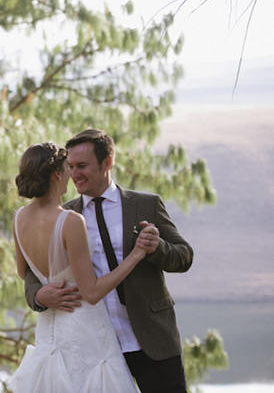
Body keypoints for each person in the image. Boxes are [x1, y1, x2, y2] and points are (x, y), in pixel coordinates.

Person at [24, 129, 193, 393]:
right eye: (70, 166)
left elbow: (184, 256)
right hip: (95, 345)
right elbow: (34, 273)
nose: (74, 173)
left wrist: (156, 247)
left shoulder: (147, 205)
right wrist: (38, 297)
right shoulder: (63, 215)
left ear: (108, 162)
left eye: (82, 165)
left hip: (153, 339)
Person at [8, 142, 155, 392]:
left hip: (49, 330)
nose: (71, 175)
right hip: (85, 328)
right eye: (68, 168)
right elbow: (92, 292)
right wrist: (136, 254)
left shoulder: (19, 217)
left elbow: (25, 273)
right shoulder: (70, 220)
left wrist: (46, 290)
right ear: (57, 174)